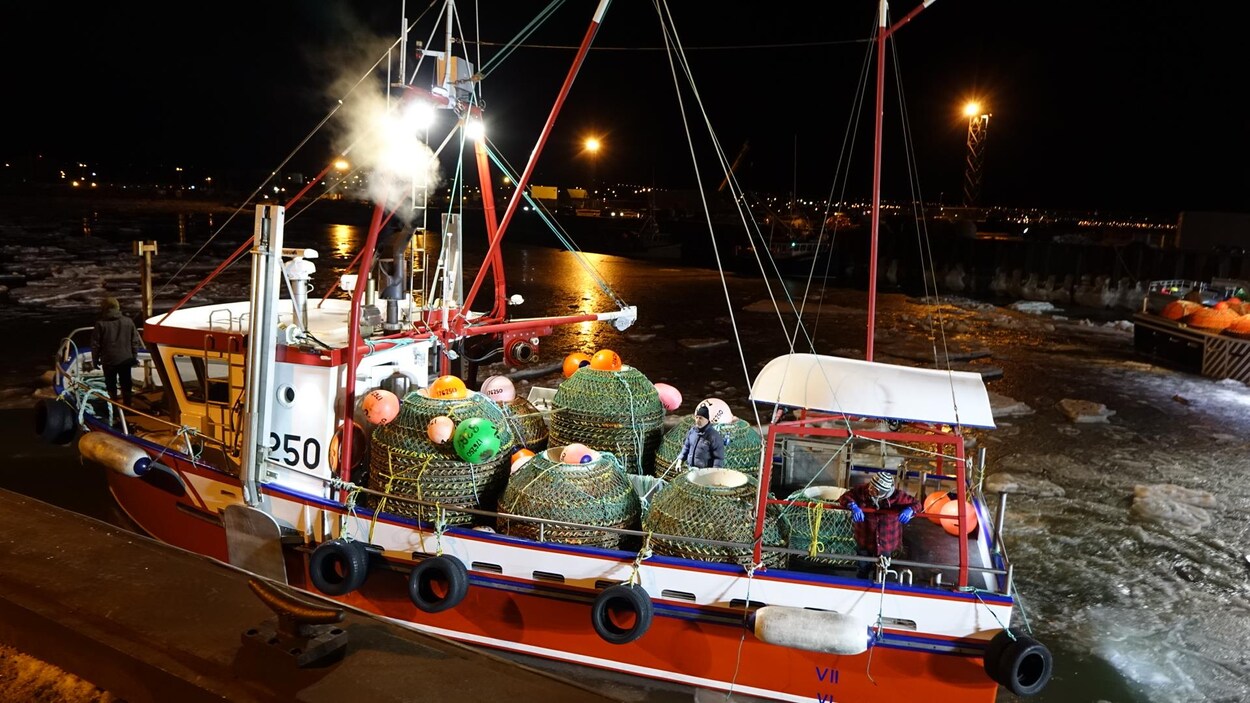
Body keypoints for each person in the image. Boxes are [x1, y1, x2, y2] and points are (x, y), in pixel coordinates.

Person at [836, 470, 919, 580]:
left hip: (886, 541)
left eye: (874, 489)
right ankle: (861, 582)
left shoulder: (897, 496)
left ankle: (878, 583)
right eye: (871, 486)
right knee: (862, 566)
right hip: (865, 537)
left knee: (881, 569)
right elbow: (844, 497)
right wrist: (853, 506)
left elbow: (917, 504)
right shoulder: (862, 490)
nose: (869, 489)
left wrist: (910, 510)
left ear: (882, 492)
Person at [91, 297, 143, 407]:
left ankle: (113, 407)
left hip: (109, 361)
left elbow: (95, 345)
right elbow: (135, 341)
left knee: (111, 385)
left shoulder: (100, 324)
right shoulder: (128, 322)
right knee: (126, 384)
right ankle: (127, 406)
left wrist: (95, 360)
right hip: (125, 360)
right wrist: (134, 357)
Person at [677, 405, 726, 469]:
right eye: (696, 417)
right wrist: (679, 462)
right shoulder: (692, 432)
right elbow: (686, 447)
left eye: (700, 418)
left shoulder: (714, 436)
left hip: (705, 473)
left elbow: (718, 458)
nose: (697, 420)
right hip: (691, 469)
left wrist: (714, 473)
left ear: (707, 419)